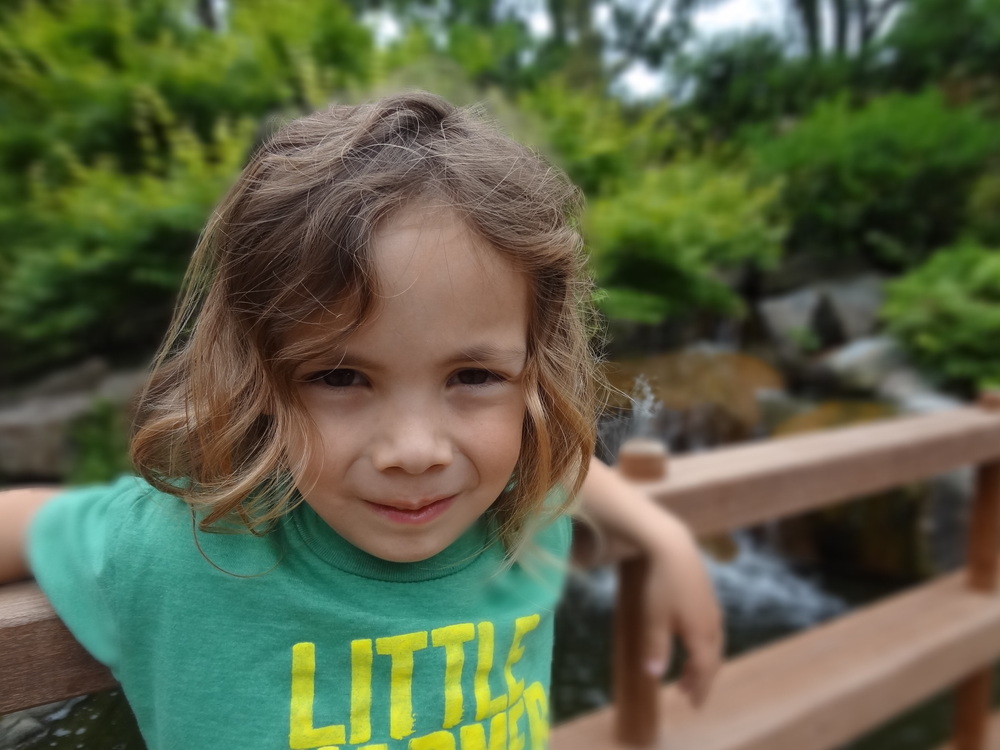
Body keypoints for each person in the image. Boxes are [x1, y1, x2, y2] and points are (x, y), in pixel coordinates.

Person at [0, 91, 721, 750]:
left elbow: (564, 467)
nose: (415, 450)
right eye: (339, 377)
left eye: (473, 377)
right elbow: (25, 522)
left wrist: (660, 536)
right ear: (258, 377)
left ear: (534, 374)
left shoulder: (518, 504)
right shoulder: (189, 544)